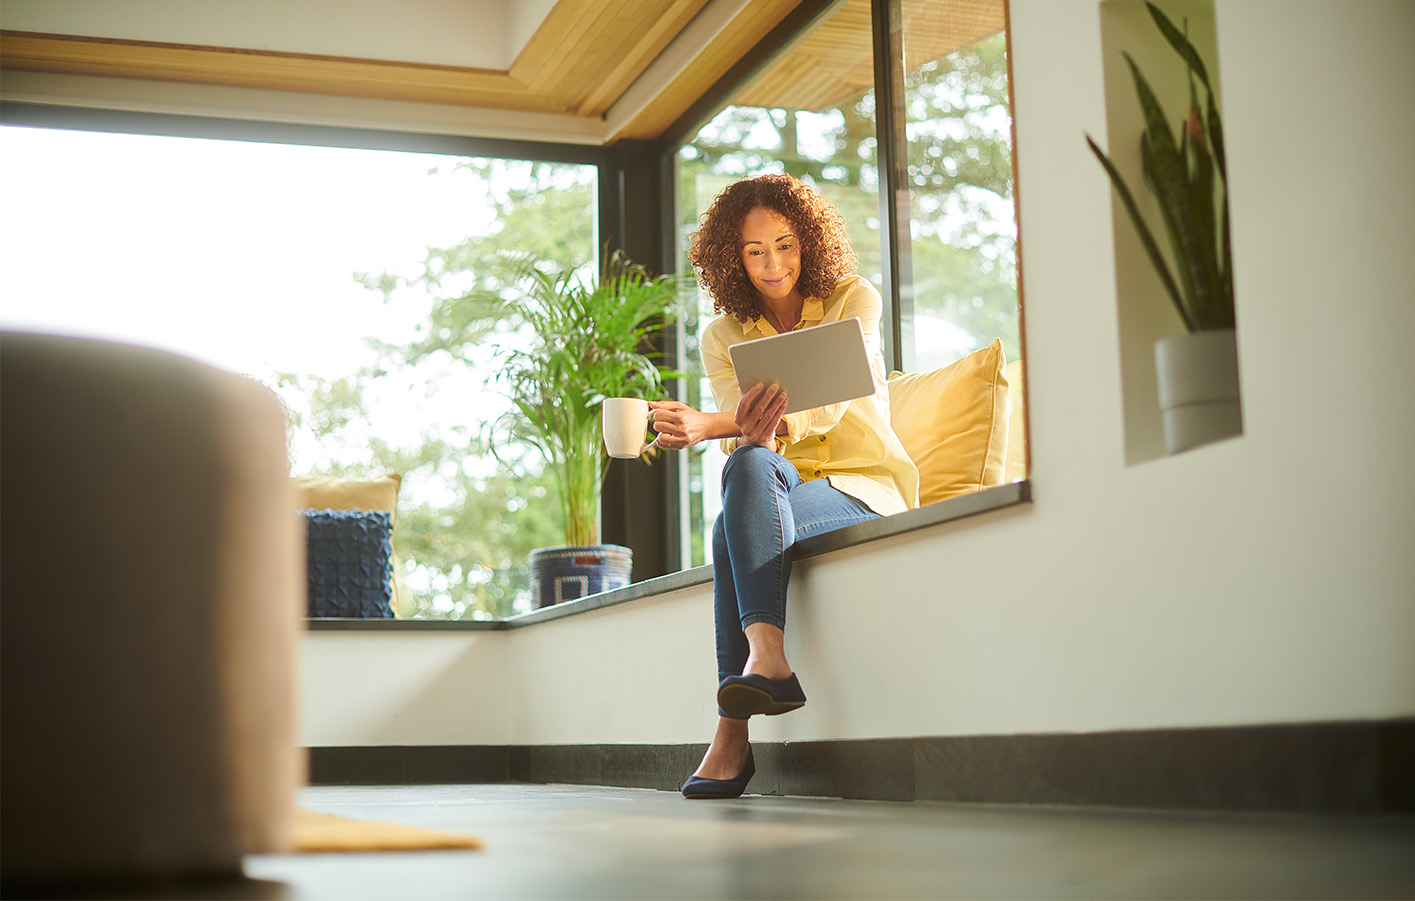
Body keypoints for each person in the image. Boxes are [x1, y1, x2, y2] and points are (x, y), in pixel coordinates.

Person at [649, 173, 919, 799]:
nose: (774, 265)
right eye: (755, 251)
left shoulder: (854, 298)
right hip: (779, 482)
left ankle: (731, 734)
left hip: (861, 482)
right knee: (746, 464)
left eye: (786, 245)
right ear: (732, 259)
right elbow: (748, 442)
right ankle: (767, 659)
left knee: (728, 531)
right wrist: (739, 431)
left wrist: (707, 424)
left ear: (809, 242)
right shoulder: (722, 336)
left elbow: (830, 400)